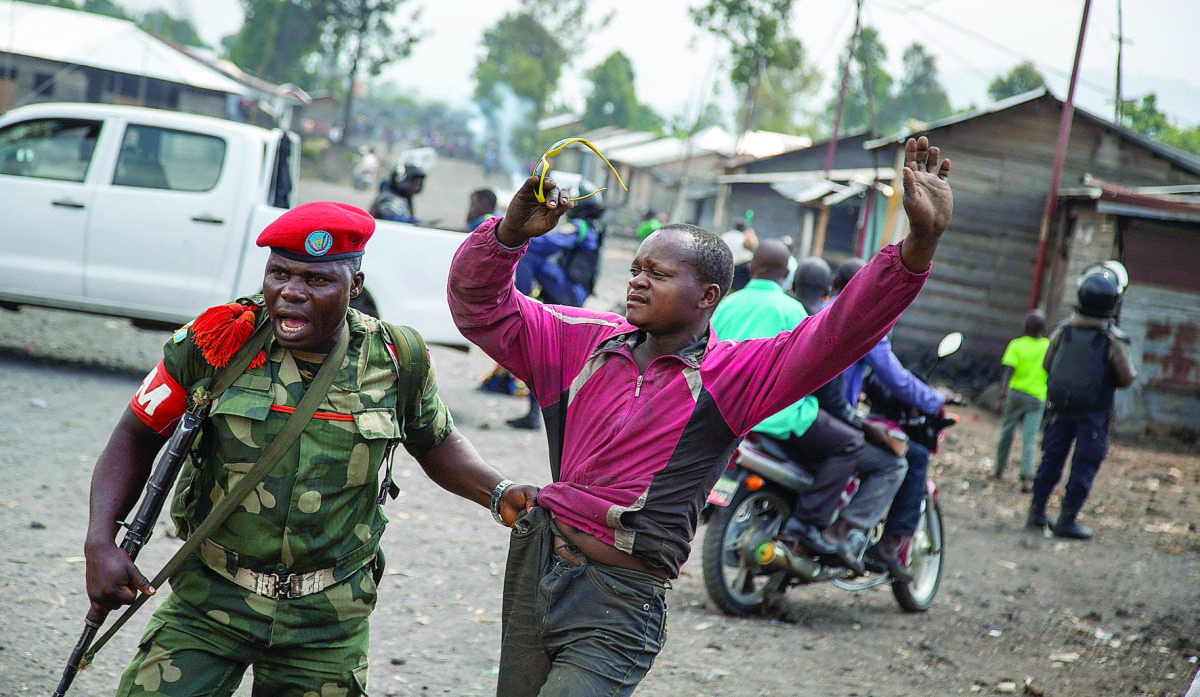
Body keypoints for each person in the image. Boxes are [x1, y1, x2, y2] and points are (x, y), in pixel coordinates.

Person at [448, 136, 953, 695]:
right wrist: (507, 235)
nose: (637, 279)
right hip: (535, 568)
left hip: (619, 605)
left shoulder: (734, 377)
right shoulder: (577, 342)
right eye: (636, 267)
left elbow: (838, 332)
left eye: (658, 273)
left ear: (708, 295)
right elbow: (480, 309)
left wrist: (918, 245)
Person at [85, 201, 537, 696]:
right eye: (279, 273)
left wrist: (499, 492)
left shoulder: (396, 357)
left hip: (327, 623)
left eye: (317, 281)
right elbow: (136, 434)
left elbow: (435, 442)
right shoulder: (217, 340)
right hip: (209, 601)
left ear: (355, 288)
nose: (291, 293)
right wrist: (100, 540)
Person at [711, 241, 865, 573]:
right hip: (778, 416)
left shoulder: (725, 305)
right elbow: (811, 370)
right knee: (850, 443)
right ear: (786, 275)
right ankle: (807, 526)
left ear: (751, 269)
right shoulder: (793, 311)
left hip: (725, 412)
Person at [833, 257, 951, 582]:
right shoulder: (865, 321)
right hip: (832, 419)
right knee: (906, 457)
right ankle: (878, 543)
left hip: (798, 414)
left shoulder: (814, 310)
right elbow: (896, 379)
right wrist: (933, 398)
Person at [792, 257, 910, 579]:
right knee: (887, 461)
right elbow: (835, 395)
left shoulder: (792, 310)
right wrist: (860, 424)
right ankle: (838, 534)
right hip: (803, 416)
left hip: (762, 414)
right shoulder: (846, 323)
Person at [1027, 264, 1136, 540]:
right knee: (1084, 464)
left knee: (1051, 458)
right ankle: (1066, 519)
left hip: (1060, 408)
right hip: (1094, 413)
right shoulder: (1111, 339)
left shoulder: (1064, 330)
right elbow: (1126, 378)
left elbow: (1047, 363)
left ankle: (1036, 513)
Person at [507, 201, 609, 430]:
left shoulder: (582, 226)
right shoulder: (595, 227)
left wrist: (520, 231)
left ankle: (518, 301)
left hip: (570, 292)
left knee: (529, 250)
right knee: (543, 354)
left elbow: (549, 242)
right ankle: (534, 415)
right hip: (569, 292)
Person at [994, 310, 1050, 492]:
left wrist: (1002, 393)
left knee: (1007, 431)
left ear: (1025, 327)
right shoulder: (1047, 346)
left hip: (1016, 394)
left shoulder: (1016, 345)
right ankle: (1026, 478)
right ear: (1043, 328)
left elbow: (1008, 371)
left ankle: (999, 469)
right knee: (1030, 437)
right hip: (1037, 397)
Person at [720, 218, 758, 293]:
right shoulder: (745, 237)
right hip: (739, 269)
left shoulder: (726, 235)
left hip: (725, 267)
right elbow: (753, 246)